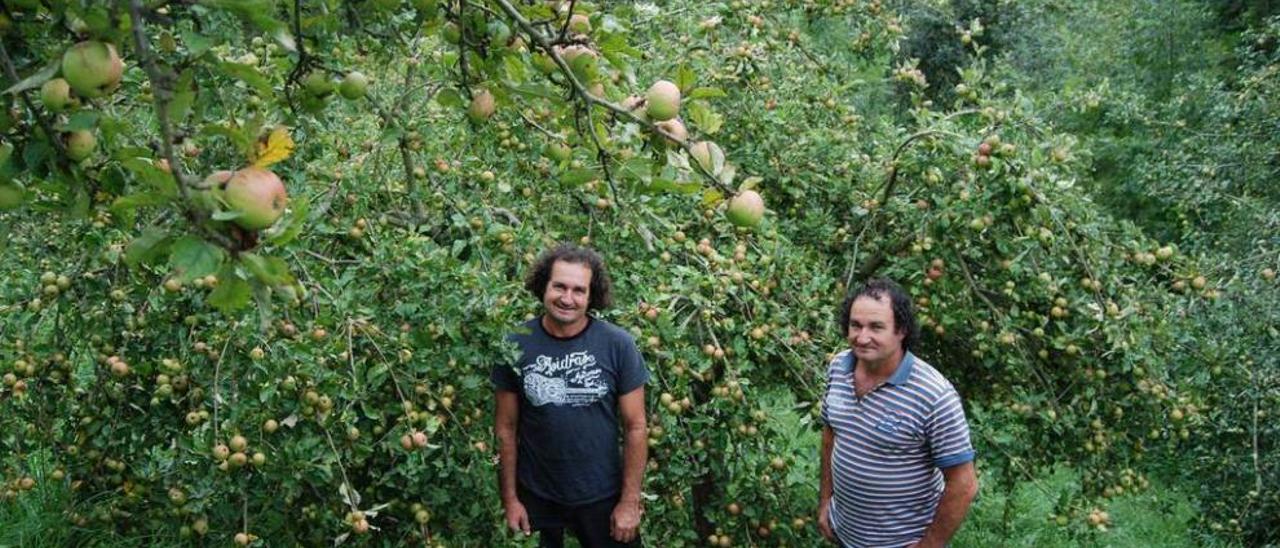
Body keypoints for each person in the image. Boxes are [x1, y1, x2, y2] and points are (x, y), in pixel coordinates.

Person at [492, 244, 648, 547]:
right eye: (559, 286)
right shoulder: (514, 344)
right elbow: (505, 429)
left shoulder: (618, 345)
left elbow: (636, 427)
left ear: (592, 296)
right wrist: (510, 499)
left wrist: (629, 502)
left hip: (603, 497)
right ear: (543, 286)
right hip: (537, 498)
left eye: (579, 290)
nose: (567, 298)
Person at [818, 278, 979, 547]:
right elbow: (830, 436)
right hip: (844, 536)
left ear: (901, 330)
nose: (862, 337)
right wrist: (825, 501)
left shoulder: (933, 395)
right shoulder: (838, 367)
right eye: (855, 325)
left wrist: (929, 545)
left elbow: (964, 484)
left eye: (876, 327)